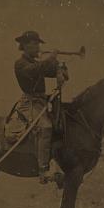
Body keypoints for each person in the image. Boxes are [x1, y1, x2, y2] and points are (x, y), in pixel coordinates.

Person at [13, 30, 66, 184]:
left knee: (61, 124)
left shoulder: (36, 62)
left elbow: (50, 70)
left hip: (42, 101)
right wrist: (52, 58)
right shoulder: (21, 63)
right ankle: (43, 171)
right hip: (29, 103)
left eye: (38, 44)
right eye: (35, 44)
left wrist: (60, 68)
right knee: (45, 127)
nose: (38, 47)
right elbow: (35, 71)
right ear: (25, 45)